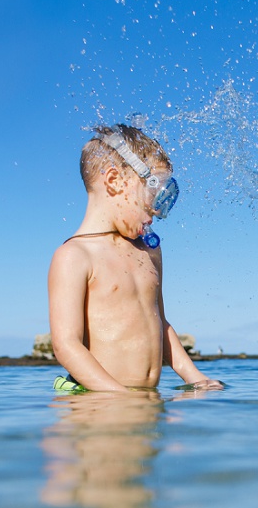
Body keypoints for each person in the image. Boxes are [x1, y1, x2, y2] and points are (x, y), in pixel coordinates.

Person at [48, 123, 224, 396]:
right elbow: (66, 345)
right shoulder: (75, 256)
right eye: (151, 194)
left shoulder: (149, 251)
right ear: (114, 181)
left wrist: (195, 378)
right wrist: (118, 394)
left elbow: (161, 324)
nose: (156, 209)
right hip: (98, 400)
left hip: (143, 399)